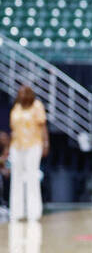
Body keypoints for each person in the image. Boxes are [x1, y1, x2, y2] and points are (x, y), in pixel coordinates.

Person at [8, 85, 48, 221]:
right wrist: (8, 148)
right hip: (16, 146)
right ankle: (16, 212)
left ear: (30, 94)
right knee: (16, 178)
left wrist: (45, 143)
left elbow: (43, 126)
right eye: (19, 93)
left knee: (32, 177)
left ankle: (34, 213)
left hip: (33, 145)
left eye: (24, 93)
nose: (21, 95)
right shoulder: (16, 107)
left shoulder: (37, 106)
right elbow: (13, 129)